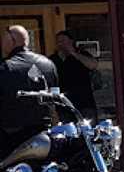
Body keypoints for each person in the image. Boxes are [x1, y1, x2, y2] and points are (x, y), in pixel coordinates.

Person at [0, 25, 59, 158]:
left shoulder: (5, 67)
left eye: (4, 39)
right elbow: (55, 99)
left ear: (11, 41)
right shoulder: (48, 64)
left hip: (12, 135)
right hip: (43, 133)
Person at [50, 30, 99, 121]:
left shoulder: (82, 54)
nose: (61, 44)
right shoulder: (53, 59)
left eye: (63, 41)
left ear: (71, 41)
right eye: (59, 41)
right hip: (64, 104)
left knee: (88, 132)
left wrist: (73, 53)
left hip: (84, 102)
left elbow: (93, 65)